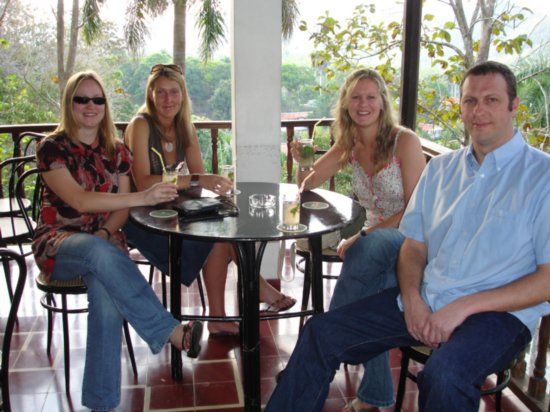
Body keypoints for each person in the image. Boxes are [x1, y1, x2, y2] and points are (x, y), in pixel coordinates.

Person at [265, 60, 550, 412]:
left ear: (514, 105)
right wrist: (412, 298)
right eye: (470, 101)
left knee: (444, 375)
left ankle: (373, 389)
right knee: (321, 332)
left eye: (491, 100)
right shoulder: (443, 169)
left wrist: (463, 306)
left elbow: (546, 280)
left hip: (499, 314)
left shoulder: (542, 176)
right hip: (428, 297)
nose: (478, 111)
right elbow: (414, 245)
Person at [32, 70, 203, 412]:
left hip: (104, 245)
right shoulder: (52, 148)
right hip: (59, 244)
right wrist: (143, 198)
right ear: (69, 103)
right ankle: (169, 332)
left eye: (98, 99)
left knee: (107, 298)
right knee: (98, 252)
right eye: (82, 99)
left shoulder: (117, 151)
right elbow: (80, 200)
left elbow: (121, 210)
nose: (90, 105)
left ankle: (101, 403)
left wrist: (105, 233)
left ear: (105, 106)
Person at [123, 63, 295, 336]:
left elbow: (198, 177)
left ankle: (219, 318)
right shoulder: (141, 125)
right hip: (144, 216)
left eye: (174, 92)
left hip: (175, 209)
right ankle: (255, 287)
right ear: (151, 95)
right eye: (161, 92)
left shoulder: (185, 127)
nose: (168, 99)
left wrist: (210, 186)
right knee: (217, 238)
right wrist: (196, 180)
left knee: (220, 232)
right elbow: (144, 181)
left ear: (183, 95)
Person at [291, 68, 425, 411]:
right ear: (346, 103)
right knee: (370, 296)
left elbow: (416, 209)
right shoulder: (349, 143)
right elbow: (307, 183)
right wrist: (301, 161)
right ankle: (374, 394)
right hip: (373, 244)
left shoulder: (405, 141)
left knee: (366, 249)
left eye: (370, 97)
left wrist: (363, 235)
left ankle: (322, 344)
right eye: (356, 97)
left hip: (410, 239)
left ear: (382, 102)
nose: (363, 104)